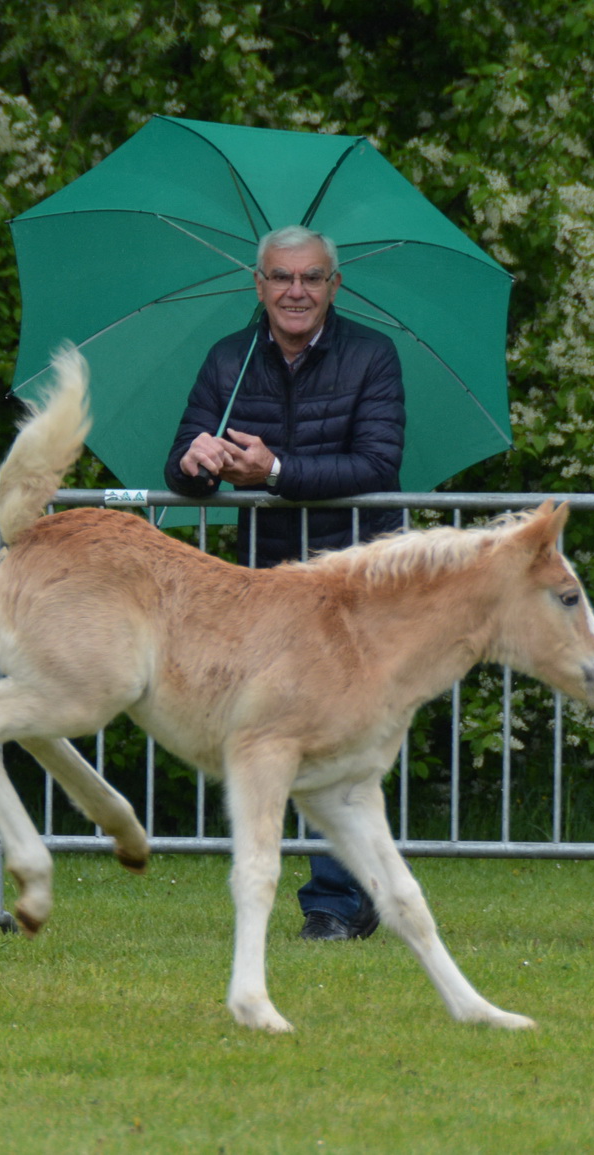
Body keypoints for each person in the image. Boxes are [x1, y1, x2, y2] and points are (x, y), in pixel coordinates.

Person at [164, 224, 405, 942]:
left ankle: (335, 899)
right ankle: (346, 886)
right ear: (259, 284)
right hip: (269, 580)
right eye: (280, 277)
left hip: (357, 577)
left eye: (310, 278)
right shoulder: (228, 358)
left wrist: (274, 471)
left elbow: (378, 463)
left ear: (334, 285)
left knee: (338, 734)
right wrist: (195, 464)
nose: (295, 291)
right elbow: (180, 466)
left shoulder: (373, 355)